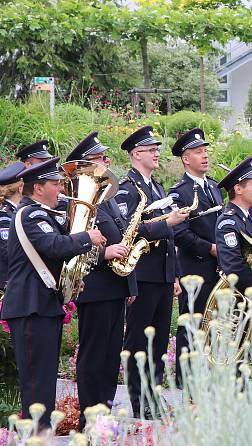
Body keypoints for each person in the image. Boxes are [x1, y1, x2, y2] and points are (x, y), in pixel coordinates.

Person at [67, 132, 179, 428]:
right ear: (83, 165)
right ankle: (88, 417)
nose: (106, 162)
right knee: (93, 355)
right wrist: (105, 252)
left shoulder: (106, 199)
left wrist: (128, 281)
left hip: (116, 286)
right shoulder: (81, 199)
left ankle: (102, 412)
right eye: (99, 159)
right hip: (94, 288)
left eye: (105, 158)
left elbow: (124, 235)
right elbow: (74, 244)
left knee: (109, 355)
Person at [1, 157, 106, 429]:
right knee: (37, 384)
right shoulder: (31, 214)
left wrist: (70, 281)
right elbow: (53, 246)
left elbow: (52, 258)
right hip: (31, 307)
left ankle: (41, 435)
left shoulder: (42, 214)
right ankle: (37, 437)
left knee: (44, 382)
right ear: (38, 188)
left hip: (42, 305)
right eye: (55, 184)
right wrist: (87, 238)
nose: (61, 189)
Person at [117, 126, 189, 419]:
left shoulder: (157, 187)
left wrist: (174, 274)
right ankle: (139, 403)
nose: (157, 153)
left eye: (157, 149)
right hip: (141, 275)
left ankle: (154, 398)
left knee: (158, 342)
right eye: (151, 150)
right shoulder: (127, 188)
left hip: (160, 275)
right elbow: (127, 232)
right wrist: (166, 224)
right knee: (138, 343)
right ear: (136, 154)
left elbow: (170, 240)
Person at [168, 127, 223, 388]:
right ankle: (186, 379)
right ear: (185, 159)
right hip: (194, 267)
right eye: (198, 152)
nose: (205, 156)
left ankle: (211, 372)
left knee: (214, 322)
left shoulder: (213, 186)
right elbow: (180, 234)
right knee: (191, 322)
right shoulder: (179, 192)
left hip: (217, 267)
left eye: (205, 151)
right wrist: (210, 248)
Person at [215, 157, 252, 294]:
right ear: (238, 189)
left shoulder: (248, 218)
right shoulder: (227, 222)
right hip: (241, 300)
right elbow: (235, 266)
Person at [0, 162, 25, 289]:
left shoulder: (14, 212)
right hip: (8, 284)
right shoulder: (5, 216)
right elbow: (7, 252)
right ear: (21, 188)